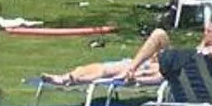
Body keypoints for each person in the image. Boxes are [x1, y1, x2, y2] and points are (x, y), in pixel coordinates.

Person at [40, 26, 169, 89]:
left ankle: (72, 79)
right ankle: (66, 77)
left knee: (107, 72)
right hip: (134, 65)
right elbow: (159, 34)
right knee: (102, 68)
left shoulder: (171, 66)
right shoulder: (162, 49)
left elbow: (159, 76)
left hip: (142, 70)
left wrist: (138, 77)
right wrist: (134, 67)